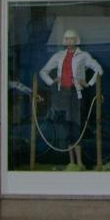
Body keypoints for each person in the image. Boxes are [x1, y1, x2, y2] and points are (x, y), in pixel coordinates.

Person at [38, 28, 102, 169]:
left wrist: (88, 83)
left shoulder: (83, 55)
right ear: (64, 41)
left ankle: (79, 162)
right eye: (67, 39)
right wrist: (52, 81)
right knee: (67, 126)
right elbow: (43, 71)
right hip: (63, 94)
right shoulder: (59, 55)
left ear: (77, 40)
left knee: (76, 126)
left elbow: (98, 69)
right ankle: (71, 162)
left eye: (72, 38)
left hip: (76, 94)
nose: (69, 41)